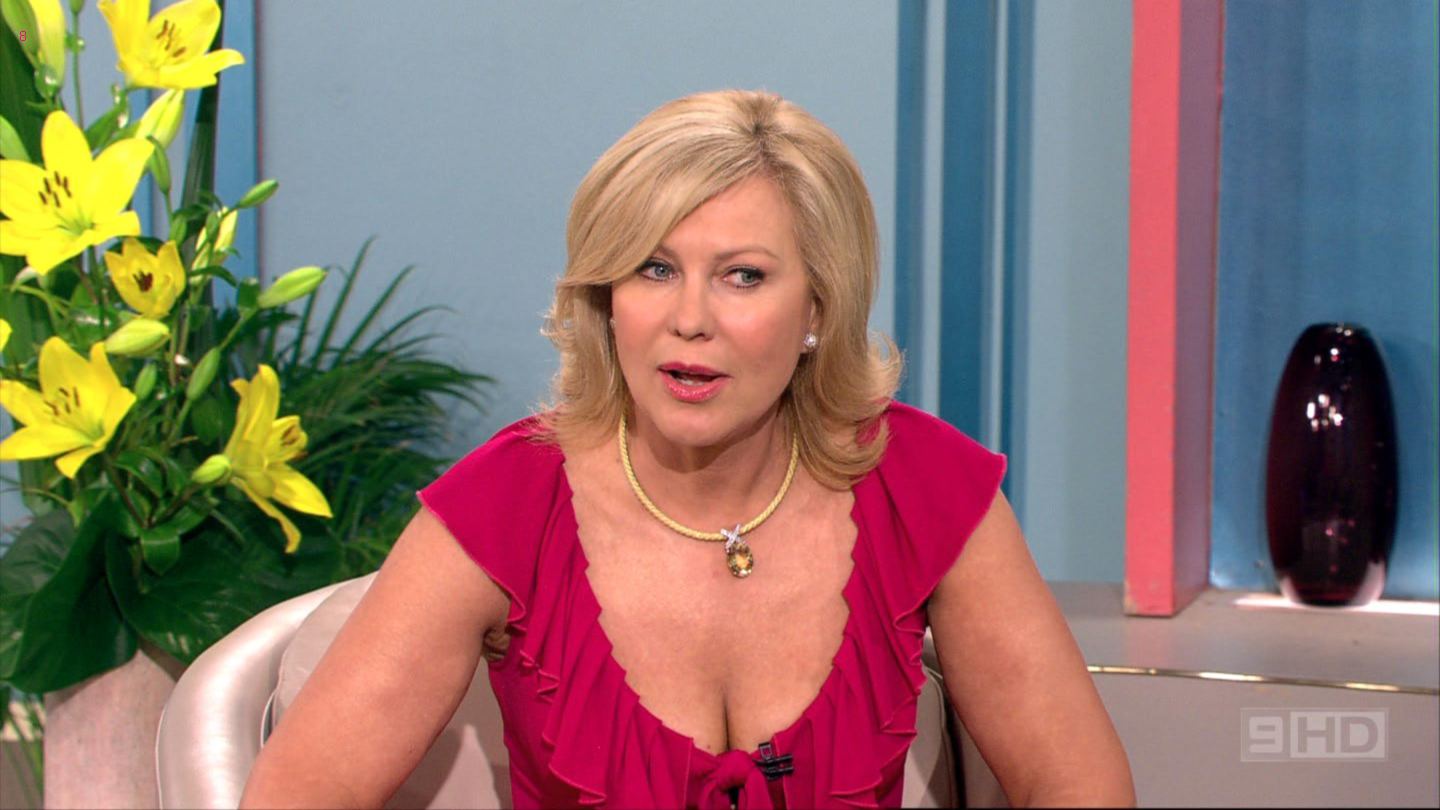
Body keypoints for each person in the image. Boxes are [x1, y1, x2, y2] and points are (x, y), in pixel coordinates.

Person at [241, 89, 1135, 808]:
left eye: (743, 276)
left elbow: (1079, 786)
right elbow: (301, 792)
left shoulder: (925, 486)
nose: (689, 319)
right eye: (654, 268)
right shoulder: (506, 505)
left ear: (818, 309)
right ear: (607, 298)